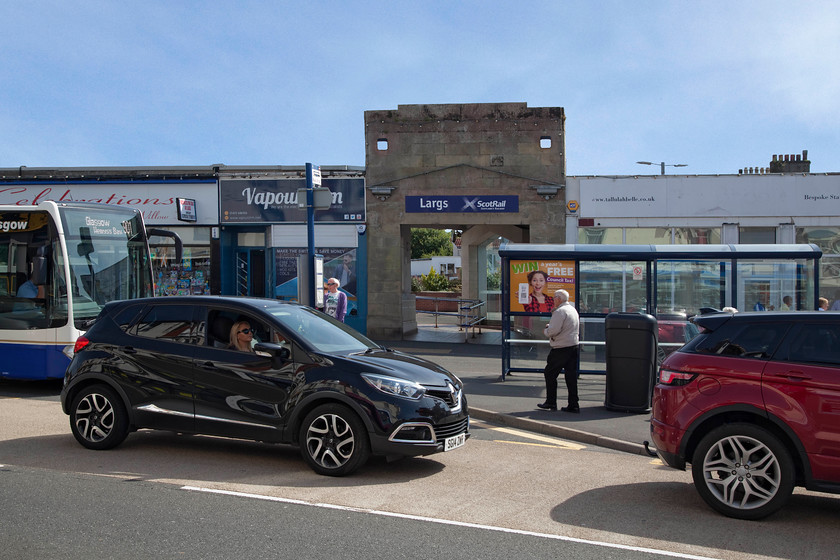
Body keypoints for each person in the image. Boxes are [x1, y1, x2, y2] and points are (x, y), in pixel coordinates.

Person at [537, 289, 580, 413]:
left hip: (561, 348)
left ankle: (551, 402)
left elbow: (552, 331)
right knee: (570, 376)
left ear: (559, 299)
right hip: (573, 346)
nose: (553, 299)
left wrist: (546, 330)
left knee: (549, 373)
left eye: (555, 297)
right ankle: (574, 404)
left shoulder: (560, 312)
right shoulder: (572, 309)